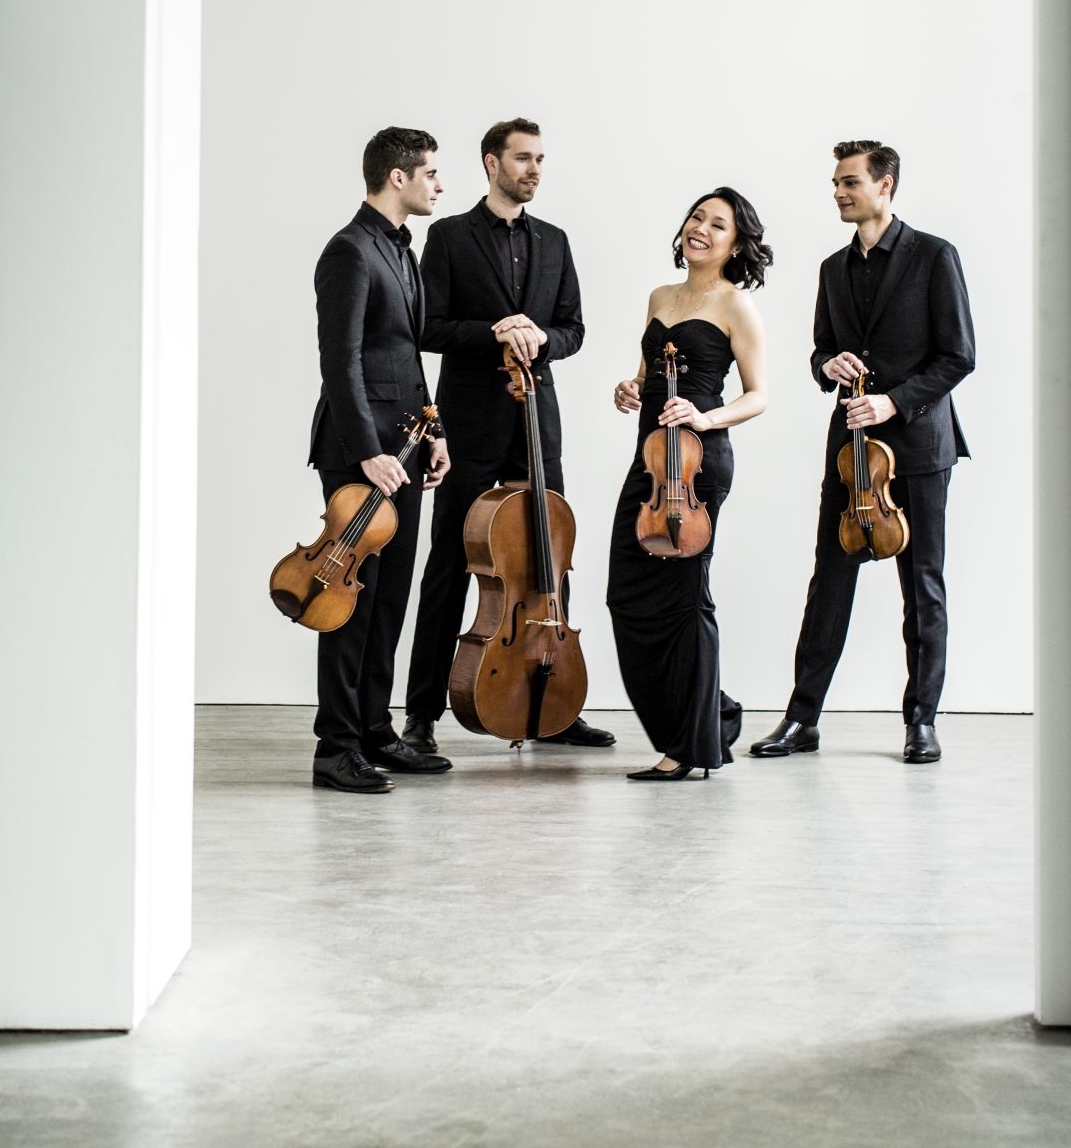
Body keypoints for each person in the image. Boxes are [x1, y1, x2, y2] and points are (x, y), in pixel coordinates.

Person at [750, 140, 975, 766]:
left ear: (885, 184)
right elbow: (821, 349)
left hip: (920, 447)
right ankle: (802, 718)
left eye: (849, 181)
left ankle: (921, 721)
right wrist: (828, 364)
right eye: (836, 183)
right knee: (830, 581)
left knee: (922, 586)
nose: (839, 192)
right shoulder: (832, 268)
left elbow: (959, 356)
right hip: (851, 452)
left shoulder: (934, 255)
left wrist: (893, 403)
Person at [401, 118, 615, 754]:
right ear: (491, 163)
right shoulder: (448, 235)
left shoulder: (555, 240)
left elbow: (574, 329)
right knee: (450, 563)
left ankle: (555, 706)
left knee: (548, 561)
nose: (534, 170)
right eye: (523, 158)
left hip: (536, 419)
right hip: (470, 421)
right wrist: (496, 329)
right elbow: (428, 327)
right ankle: (421, 715)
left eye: (540, 159)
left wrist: (542, 337)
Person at [607, 190, 771, 781]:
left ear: (736, 243)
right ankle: (712, 713)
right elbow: (648, 373)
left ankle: (689, 746)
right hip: (652, 462)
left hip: (698, 465)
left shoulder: (735, 304)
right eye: (697, 217)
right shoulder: (661, 296)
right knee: (626, 593)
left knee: (684, 597)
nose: (701, 228)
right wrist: (630, 387)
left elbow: (759, 395)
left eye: (718, 224)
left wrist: (705, 417)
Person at [307, 127, 452, 793]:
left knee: (390, 598)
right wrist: (367, 452)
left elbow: (403, 356)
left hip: (407, 447)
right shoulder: (348, 251)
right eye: (431, 173)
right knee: (351, 602)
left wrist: (434, 433)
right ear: (399, 177)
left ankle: (373, 730)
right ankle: (335, 747)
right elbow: (339, 363)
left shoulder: (400, 249)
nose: (438, 184)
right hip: (360, 453)